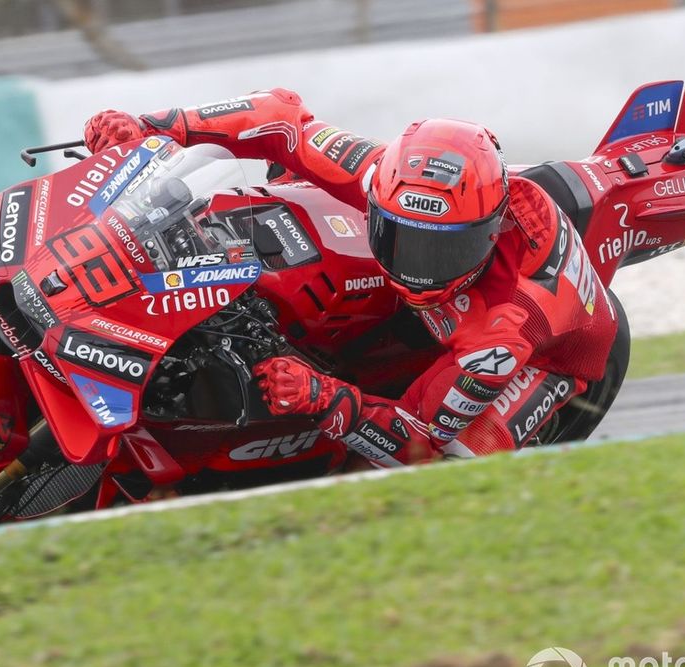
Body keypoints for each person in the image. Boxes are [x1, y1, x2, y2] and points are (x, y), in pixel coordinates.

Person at [82, 88, 622, 465]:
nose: (415, 265)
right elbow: (279, 117)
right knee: (290, 182)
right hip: (435, 317)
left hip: (557, 360)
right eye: (400, 236)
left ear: (487, 232)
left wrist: (323, 396)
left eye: (441, 250)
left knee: (453, 468)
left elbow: (421, 445)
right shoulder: (382, 173)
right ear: (380, 196)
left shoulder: (504, 330)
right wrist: (153, 127)